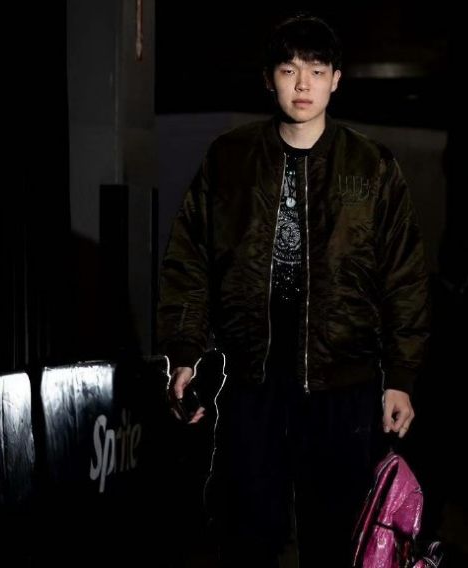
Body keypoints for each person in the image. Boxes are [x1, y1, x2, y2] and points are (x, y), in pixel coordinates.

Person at [157, 12, 430, 568]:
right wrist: (184, 354)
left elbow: (403, 276)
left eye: (316, 71)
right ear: (269, 78)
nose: (302, 84)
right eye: (289, 70)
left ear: (336, 80)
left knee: (338, 538)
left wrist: (400, 377)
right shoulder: (230, 159)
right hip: (252, 381)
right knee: (245, 533)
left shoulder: (372, 167)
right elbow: (190, 259)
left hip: (342, 384)